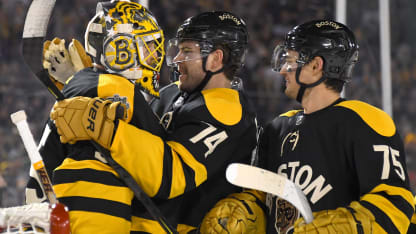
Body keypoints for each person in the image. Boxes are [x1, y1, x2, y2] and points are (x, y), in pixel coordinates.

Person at [49, 11, 267, 233]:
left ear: (215, 59)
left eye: (187, 51)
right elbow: (140, 136)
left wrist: (107, 128)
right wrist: (88, 85)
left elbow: (173, 174)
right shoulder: (171, 93)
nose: (176, 60)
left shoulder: (228, 110)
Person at [257, 19, 414, 233]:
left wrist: (330, 228)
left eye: (289, 60)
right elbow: (262, 203)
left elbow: (393, 206)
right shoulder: (277, 129)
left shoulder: (365, 121)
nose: (283, 70)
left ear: (315, 65)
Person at [25, 1, 166, 233]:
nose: (154, 56)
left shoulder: (73, 87)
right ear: (120, 49)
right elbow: (162, 163)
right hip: (104, 213)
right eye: (147, 46)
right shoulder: (123, 90)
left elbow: (40, 171)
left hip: (60, 209)